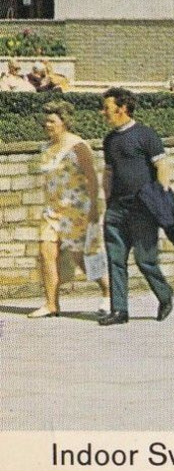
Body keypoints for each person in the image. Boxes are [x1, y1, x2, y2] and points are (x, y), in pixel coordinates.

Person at [98, 87, 174, 326]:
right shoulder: (109, 140)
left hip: (143, 209)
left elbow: (162, 167)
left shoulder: (146, 135)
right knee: (115, 259)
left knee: (145, 260)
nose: (103, 113)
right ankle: (119, 310)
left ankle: (165, 295)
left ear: (122, 109)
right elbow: (109, 172)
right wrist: (107, 200)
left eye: (107, 109)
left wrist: (160, 199)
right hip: (116, 209)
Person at [29, 101, 111, 318]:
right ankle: (51, 304)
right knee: (46, 253)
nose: (47, 124)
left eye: (52, 121)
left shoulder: (77, 146)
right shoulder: (45, 148)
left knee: (81, 258)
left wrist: (94, 207)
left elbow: (92, 178)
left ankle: (109, 292)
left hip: (76, 210)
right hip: (52, 211)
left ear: (64, 122)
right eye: (45, 120)